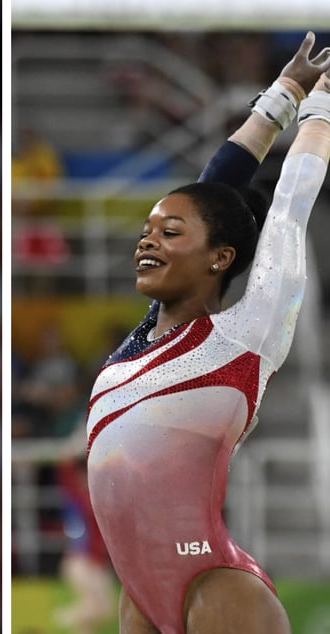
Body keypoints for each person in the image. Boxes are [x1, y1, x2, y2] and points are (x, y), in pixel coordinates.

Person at [86, 33, 330, 633]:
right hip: (139, 594)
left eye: (170, 233)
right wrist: (283, 93)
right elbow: (210, 188)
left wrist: (321, 104)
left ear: (220, 258)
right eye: (148, 228)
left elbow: (290, 206)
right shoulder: (138, 343)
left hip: (217, 586)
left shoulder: (243, 336)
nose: (147, 239)